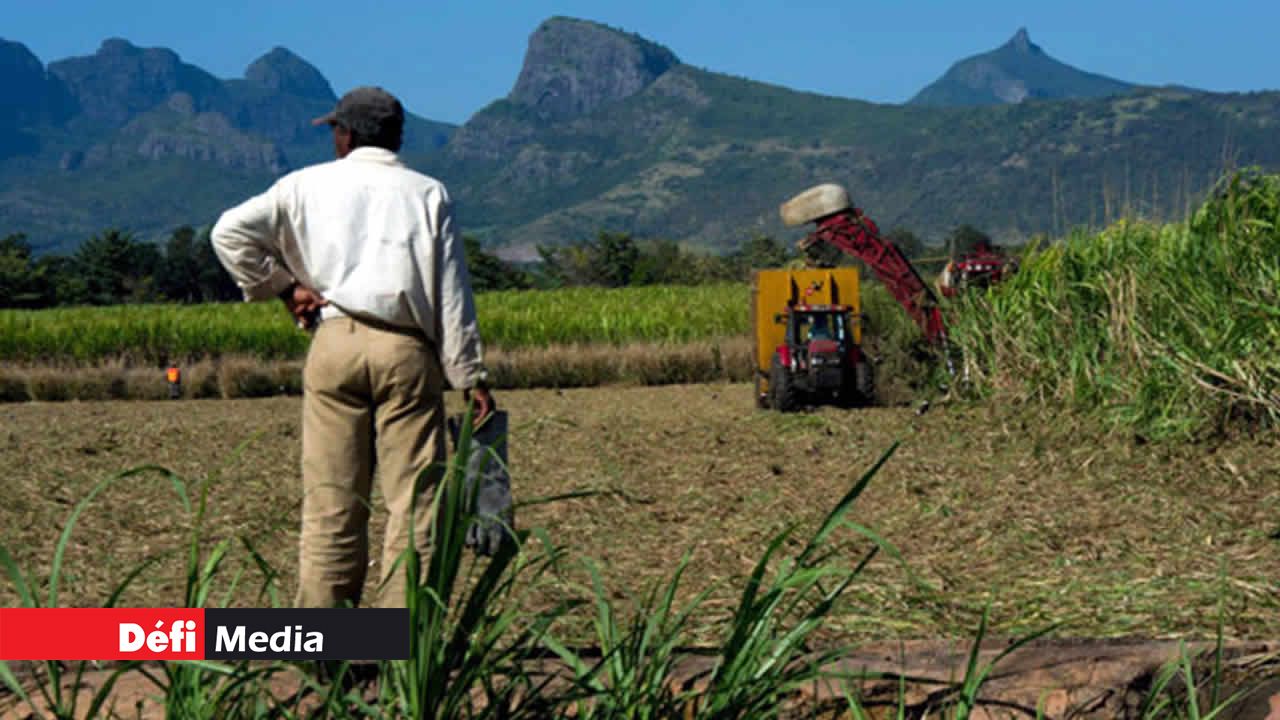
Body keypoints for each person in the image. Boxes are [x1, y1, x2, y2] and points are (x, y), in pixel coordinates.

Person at [210, 86, 494, 609]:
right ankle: (397, 645)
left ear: (344, 135)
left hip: (333, 343)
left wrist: (283, 287)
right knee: (414, 505)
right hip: (406, 350)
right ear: (396, 136)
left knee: (331, 506)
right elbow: (452, 293)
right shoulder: (427, 193)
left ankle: (324, 646)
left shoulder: (301, 187)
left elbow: (227, 233)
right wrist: (469, 374)